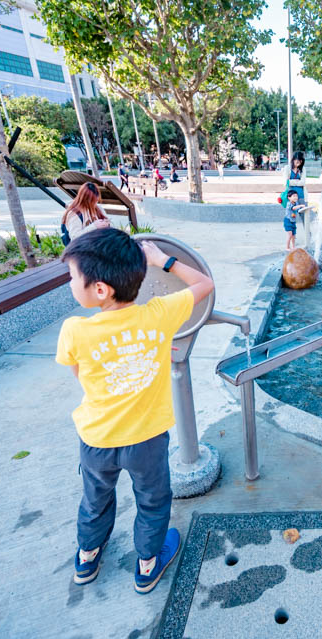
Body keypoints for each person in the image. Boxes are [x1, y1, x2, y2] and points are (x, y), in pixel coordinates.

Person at [57, 228, 214, 594]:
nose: (69, 284)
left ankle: (87, 556)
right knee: (153, 500)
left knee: (95, 497)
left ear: (99, 290)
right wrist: (162, 260)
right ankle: (147, 565)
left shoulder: (75, 331)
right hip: (146, 439)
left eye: (72, 278)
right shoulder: (159, 314)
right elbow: (204, 283)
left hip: (97, 438)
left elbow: (80, 376)